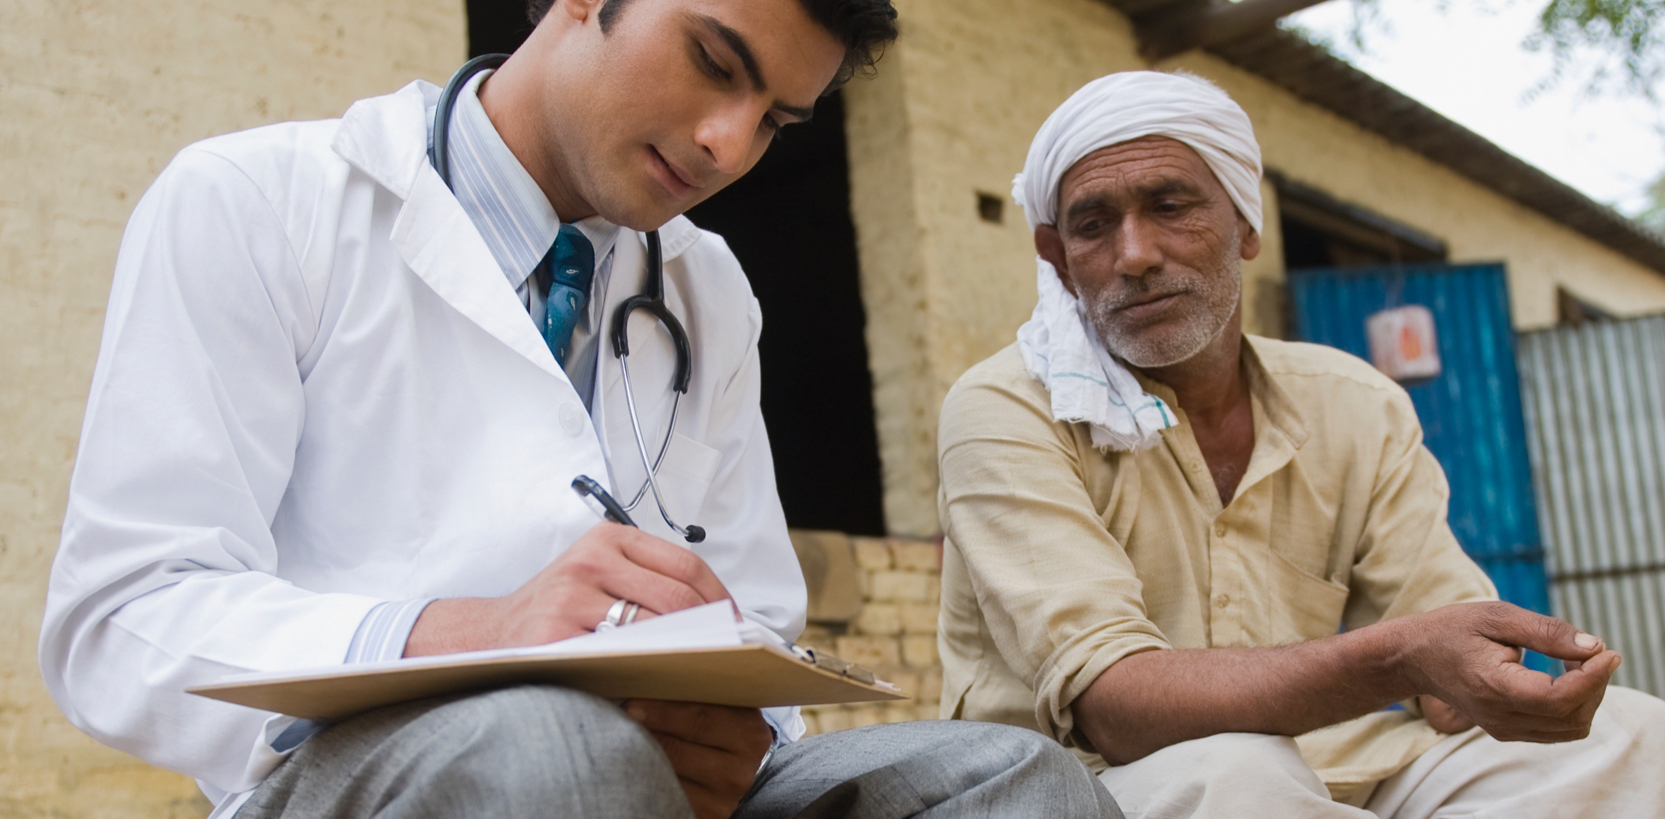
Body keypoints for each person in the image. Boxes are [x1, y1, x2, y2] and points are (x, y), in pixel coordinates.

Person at [38, 1, 1122, 817]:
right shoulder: (257, 203)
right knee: (550, 746)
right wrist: (457, 639)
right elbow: (120, 620)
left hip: (644, 773)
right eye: (713, 61)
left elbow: (751, 613)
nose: (728, 144)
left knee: (1007, 780)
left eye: (775, 120)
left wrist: (734, 730)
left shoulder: (709, 292)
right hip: (357, 772)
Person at [935, 70, 1665, 819]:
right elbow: (1116, 708)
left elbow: (1440, 672)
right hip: (1073, 786)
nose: (1134, 254)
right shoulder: (1006, 407)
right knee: (1234, 771)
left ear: (1246, 224)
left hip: (1322, 766)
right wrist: (1402, 655)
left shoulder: (1353, 403)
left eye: (1169, 205)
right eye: (1092, 225)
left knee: (1629, 732)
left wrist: (1488, 683)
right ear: (1057, 257)